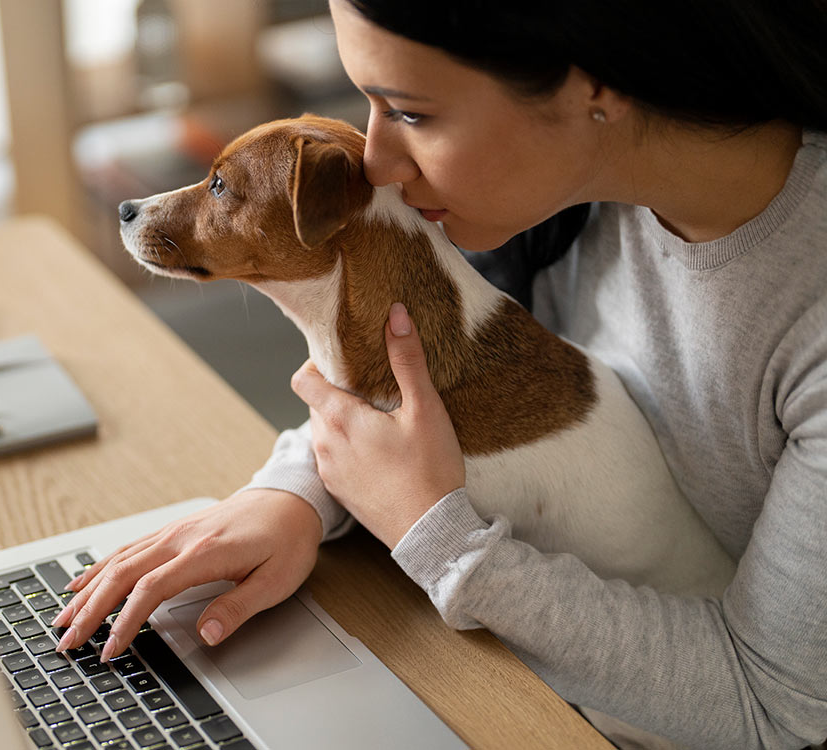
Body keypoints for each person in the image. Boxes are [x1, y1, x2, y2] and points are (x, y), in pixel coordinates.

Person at [53, 1, 827, 747]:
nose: (374, 161)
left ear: (594, 85)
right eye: (367, 104)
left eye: (413, 112)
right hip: (524, 662)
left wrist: (434, 533)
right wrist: (292, 494)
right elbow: (433, 376)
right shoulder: (558, 188)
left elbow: (774, 711)